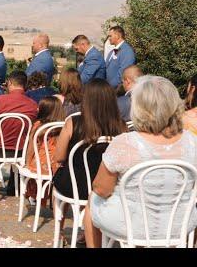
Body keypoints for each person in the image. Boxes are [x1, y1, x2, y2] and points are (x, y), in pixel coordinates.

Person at [84, 75, 197, 247]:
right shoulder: (191, 141)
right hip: (179, 225)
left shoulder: (126, 143)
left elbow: (101, 189)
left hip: (133, 226)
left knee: (92, 200)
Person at [52, 78, 127, 201]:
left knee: (57, 179)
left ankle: (60, 219)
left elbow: (59, 157)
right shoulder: (121, 125)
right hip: (109, 186)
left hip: (76, 185)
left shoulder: (72, 122)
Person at [23, 96, 66, 201]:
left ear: (44, 110)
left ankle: (35, 195)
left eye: (39, 107)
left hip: (42, 166)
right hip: (59, 166)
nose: (37, 109)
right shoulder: (64, 125)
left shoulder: (39, 126)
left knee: (30, 168)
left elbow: (31, 148)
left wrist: (27, 163)